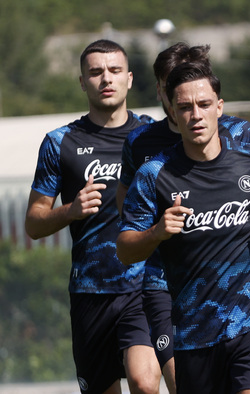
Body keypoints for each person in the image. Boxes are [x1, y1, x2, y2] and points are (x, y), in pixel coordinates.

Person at [117, 63, 250, 394]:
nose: (195, 114)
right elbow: (125, 249)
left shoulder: (249, 158)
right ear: (172, 110)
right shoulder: (153, 175)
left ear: (219, 107)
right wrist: (156, 233)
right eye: (184, 107)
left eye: (204, 105)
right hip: (194, 334)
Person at [25, 39, 160, 394]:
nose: (106, 79)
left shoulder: (153, 135)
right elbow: (34, 222)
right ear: (82, 82)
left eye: (115, 70)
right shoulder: (60, 142)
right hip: (91, 291)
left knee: (145, 383)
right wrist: (71, 210)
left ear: (129, 78)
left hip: (145, 285)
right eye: (96, 72)